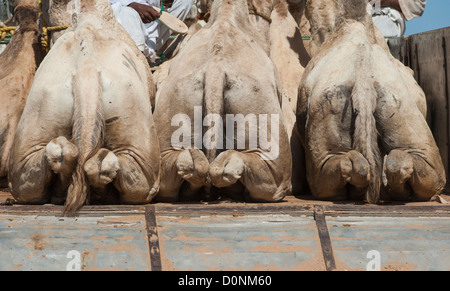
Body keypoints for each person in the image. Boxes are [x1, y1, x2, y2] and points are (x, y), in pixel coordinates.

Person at [109, 0, 193, 62]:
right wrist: (132, 4)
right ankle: (136, 57)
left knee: (185, 2)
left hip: (151, 19)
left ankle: (150, 49)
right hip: (122, 14)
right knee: (127, 13)